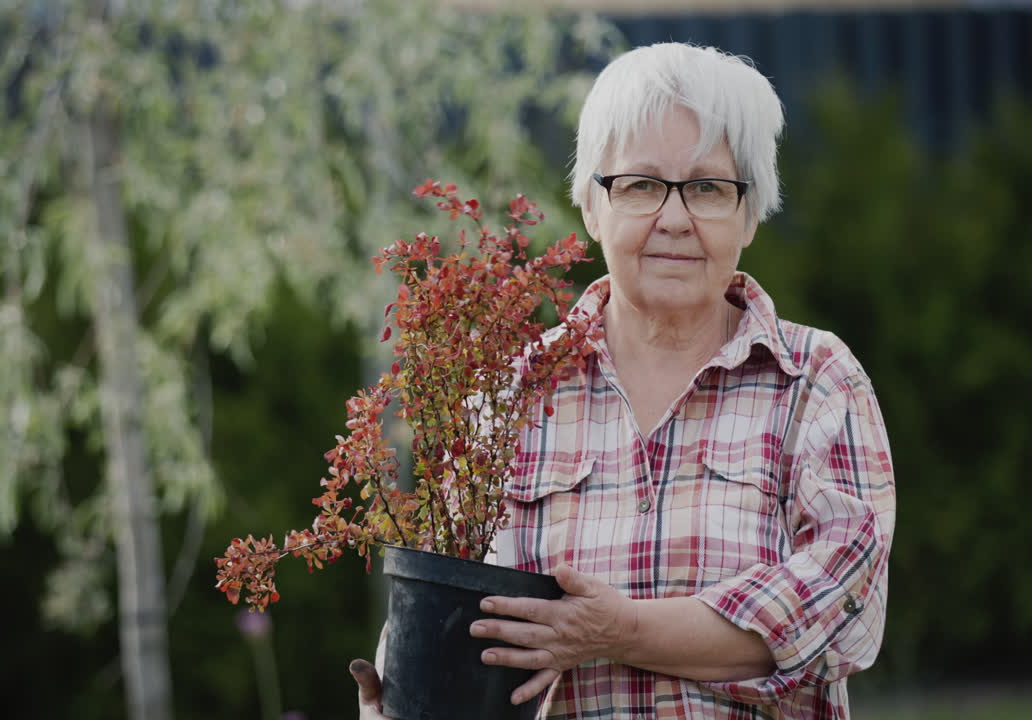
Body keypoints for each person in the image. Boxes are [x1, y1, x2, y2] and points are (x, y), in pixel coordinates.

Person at [350, 41, 895, 719]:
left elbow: (843, 607)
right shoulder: (518, 392)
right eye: (639, 185)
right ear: (591, 208)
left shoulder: (814, 381)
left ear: (749, 215)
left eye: (706, 187)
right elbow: (451, 606)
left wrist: (620, 632)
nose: (673, 218)